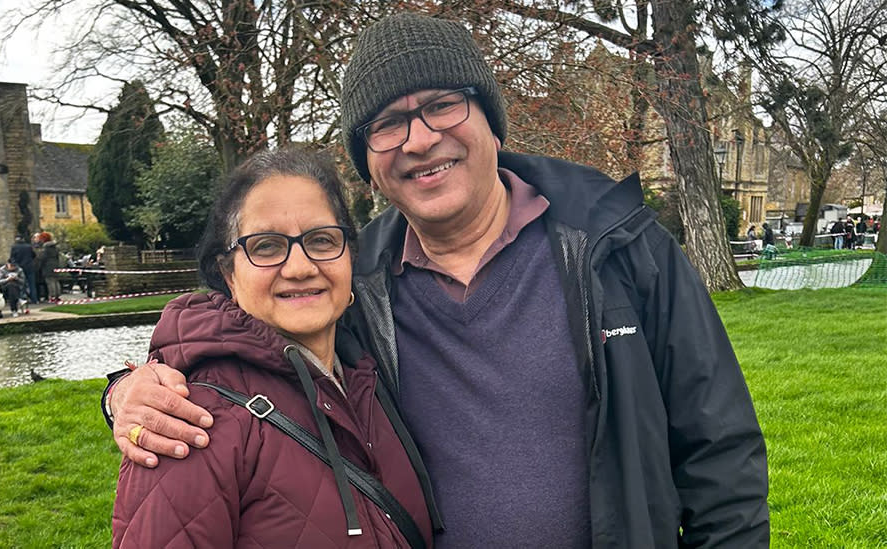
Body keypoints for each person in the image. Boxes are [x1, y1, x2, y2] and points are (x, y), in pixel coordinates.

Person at [103, 13, 768, 547]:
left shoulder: (618, 244)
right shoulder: (353, 285)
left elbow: (722, 453)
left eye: (442, 105)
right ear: (368, 161)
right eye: (388, 123)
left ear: (490, 122)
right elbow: (242, 340)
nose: (420, 139)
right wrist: (128, 388)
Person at [111, 147, 436, 548]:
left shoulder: (372, 372)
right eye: (265, 246)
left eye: (321, 240)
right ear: (228, 273)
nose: (300, 267)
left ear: (350, 255)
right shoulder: (188, 420)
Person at [9, 236, 38, 304]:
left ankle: (23, 298)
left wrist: (14, 264)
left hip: (20, 267)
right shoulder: (28, 246)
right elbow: (34, 255)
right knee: (32, 283)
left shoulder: (14, 247)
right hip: (29, 266)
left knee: (21, 283)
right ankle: (34, 299)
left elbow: (12, 257)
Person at [38, 232, 62, 302]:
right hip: (55, 265)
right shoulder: (55, 247)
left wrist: (40, 265)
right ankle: (57, 295)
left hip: (48, 266)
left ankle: (52, 296)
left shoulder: (46, 248)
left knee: (50, 281)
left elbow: (43, 258)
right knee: (56, 280)